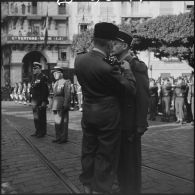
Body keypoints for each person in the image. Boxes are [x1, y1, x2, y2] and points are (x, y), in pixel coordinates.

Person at [74, 22, 136, 194]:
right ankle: (100, 189)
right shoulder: (107, 67)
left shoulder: (79, 59)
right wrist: (128, 70)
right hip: (108, 114)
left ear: (94, 39)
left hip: (88, 111)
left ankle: (86, 184)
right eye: (113, 42)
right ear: (109, 43)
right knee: (106, 153)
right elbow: (130, 89)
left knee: (88, 149)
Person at [111, 30, 149, 195]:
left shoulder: (135, 65)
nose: (111, 46)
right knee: (119, 163)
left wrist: (140, 124)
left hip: (129, 123)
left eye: (115, 43)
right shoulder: (115, 63)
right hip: (116, 122)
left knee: (130, 165)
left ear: (125, 46)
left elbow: (142, 96)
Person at [51, 66, 71, 144]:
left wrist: (66, 104)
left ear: (60, 74)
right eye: (53, 74)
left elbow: (67, 94)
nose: (54, 75)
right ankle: (58, 137)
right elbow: (54, 95)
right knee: (57, 123)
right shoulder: (56, 83)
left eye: (55, 73)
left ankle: (63, 138)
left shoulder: (66, 82)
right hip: (56, 105)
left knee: (63, 122)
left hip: (62, 105)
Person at [30, 62, 49, 138]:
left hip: (40, 101)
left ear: (40, 69)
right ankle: (37, 131)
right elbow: (32, 89)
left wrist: (44, 101)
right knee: (36, 117)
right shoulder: (34, 78)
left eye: (35, 68)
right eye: (33, 68)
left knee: (41, 117)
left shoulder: (43, 77)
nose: (34, 70)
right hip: (34, 101)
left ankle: (42, 132)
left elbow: (45, 91)